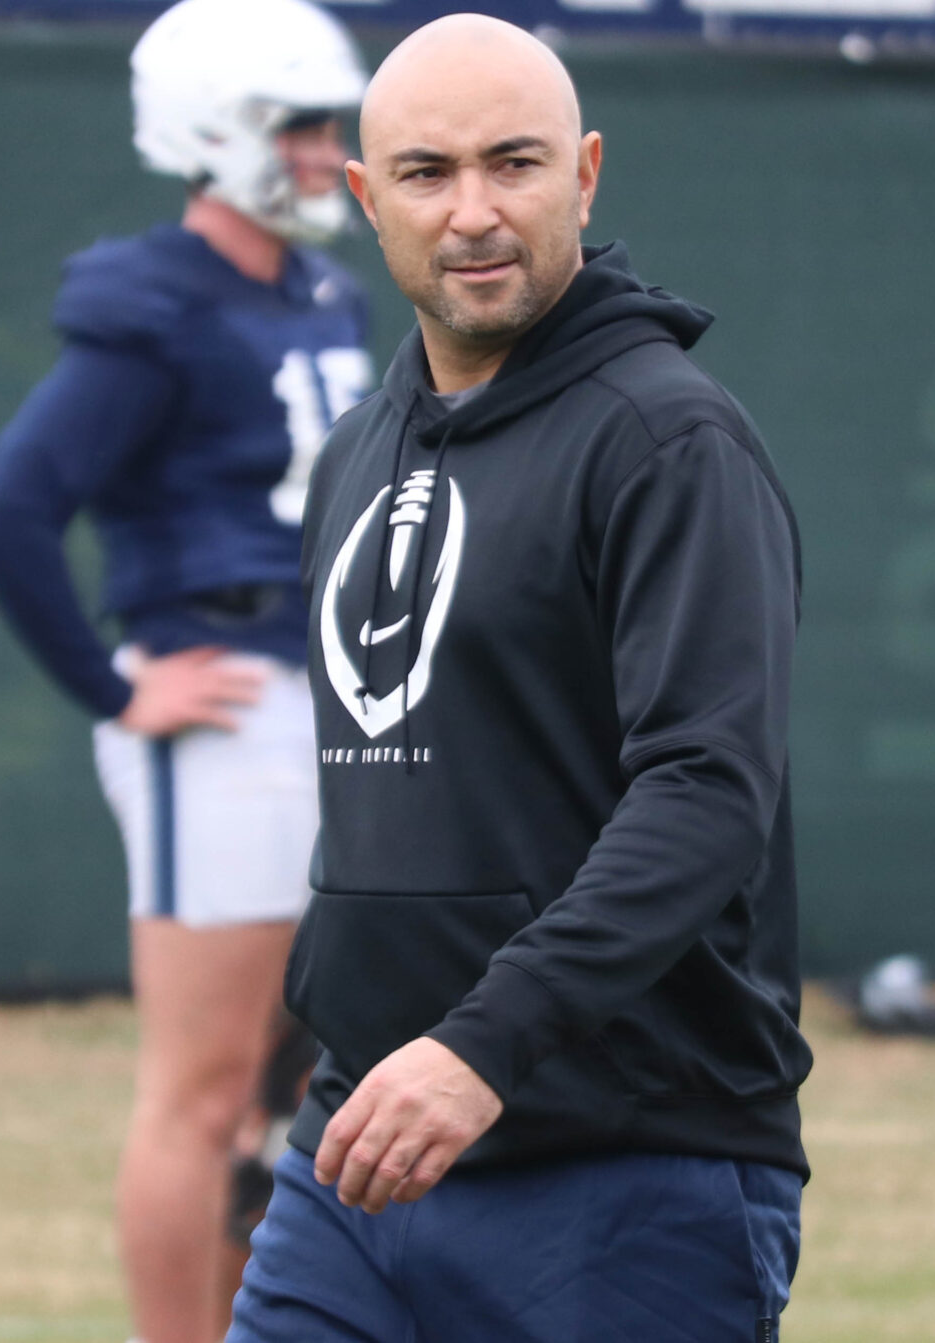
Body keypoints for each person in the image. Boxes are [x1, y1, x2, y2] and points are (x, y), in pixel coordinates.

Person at [223, 15, 810, 1342]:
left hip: (628, 1166)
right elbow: (384, 817)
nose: (474, 212)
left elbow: (710, 794)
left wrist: (482, 1044)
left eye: (516, 164)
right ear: (369, 199)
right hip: (362, 1155)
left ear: (587, 176)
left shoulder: (670, 440)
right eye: (428, 173)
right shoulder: (357, 455)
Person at [0, 0, 369, 1337]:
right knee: (198, 1091)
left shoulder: (321, 290)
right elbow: (7, 511)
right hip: (225, 706)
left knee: (293, 1081)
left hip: (336, 697)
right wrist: (121, 689)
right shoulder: (153, 302)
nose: (324, 153)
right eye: (297, 126)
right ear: (214, 132)